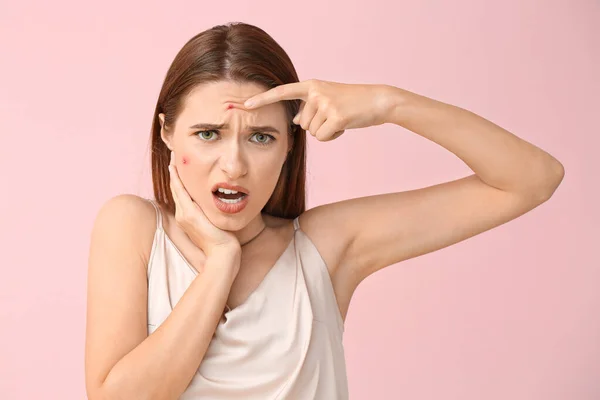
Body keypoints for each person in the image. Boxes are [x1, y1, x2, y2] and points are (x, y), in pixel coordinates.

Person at [84, 22, 565, 400]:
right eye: (208, 133)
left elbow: (532, 179)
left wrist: (387, 102)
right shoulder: (132, 228)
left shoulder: (323, 247)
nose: (233, 165)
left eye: (261, 137)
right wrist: (220, 265)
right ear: (167, 132)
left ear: (290, 145)